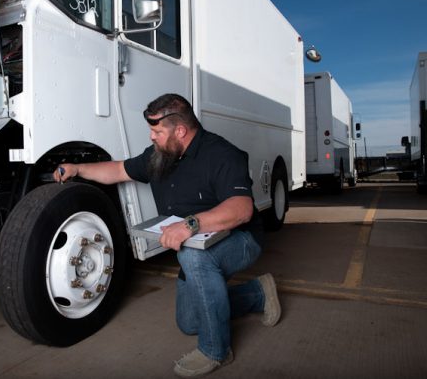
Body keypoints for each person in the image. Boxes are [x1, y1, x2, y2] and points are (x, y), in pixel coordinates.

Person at [53, 93, 281, 377]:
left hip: (242, 239)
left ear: (181, 131)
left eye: (157, 131)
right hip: (198, 243)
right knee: (189, 321)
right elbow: (117, 170)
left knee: (195, 257)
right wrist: (78, 168)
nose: (151, 137)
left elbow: (242, 209)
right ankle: (258, 294)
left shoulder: (223, 155)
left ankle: (216, 350)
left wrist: (190, 224)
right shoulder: (160, 155)